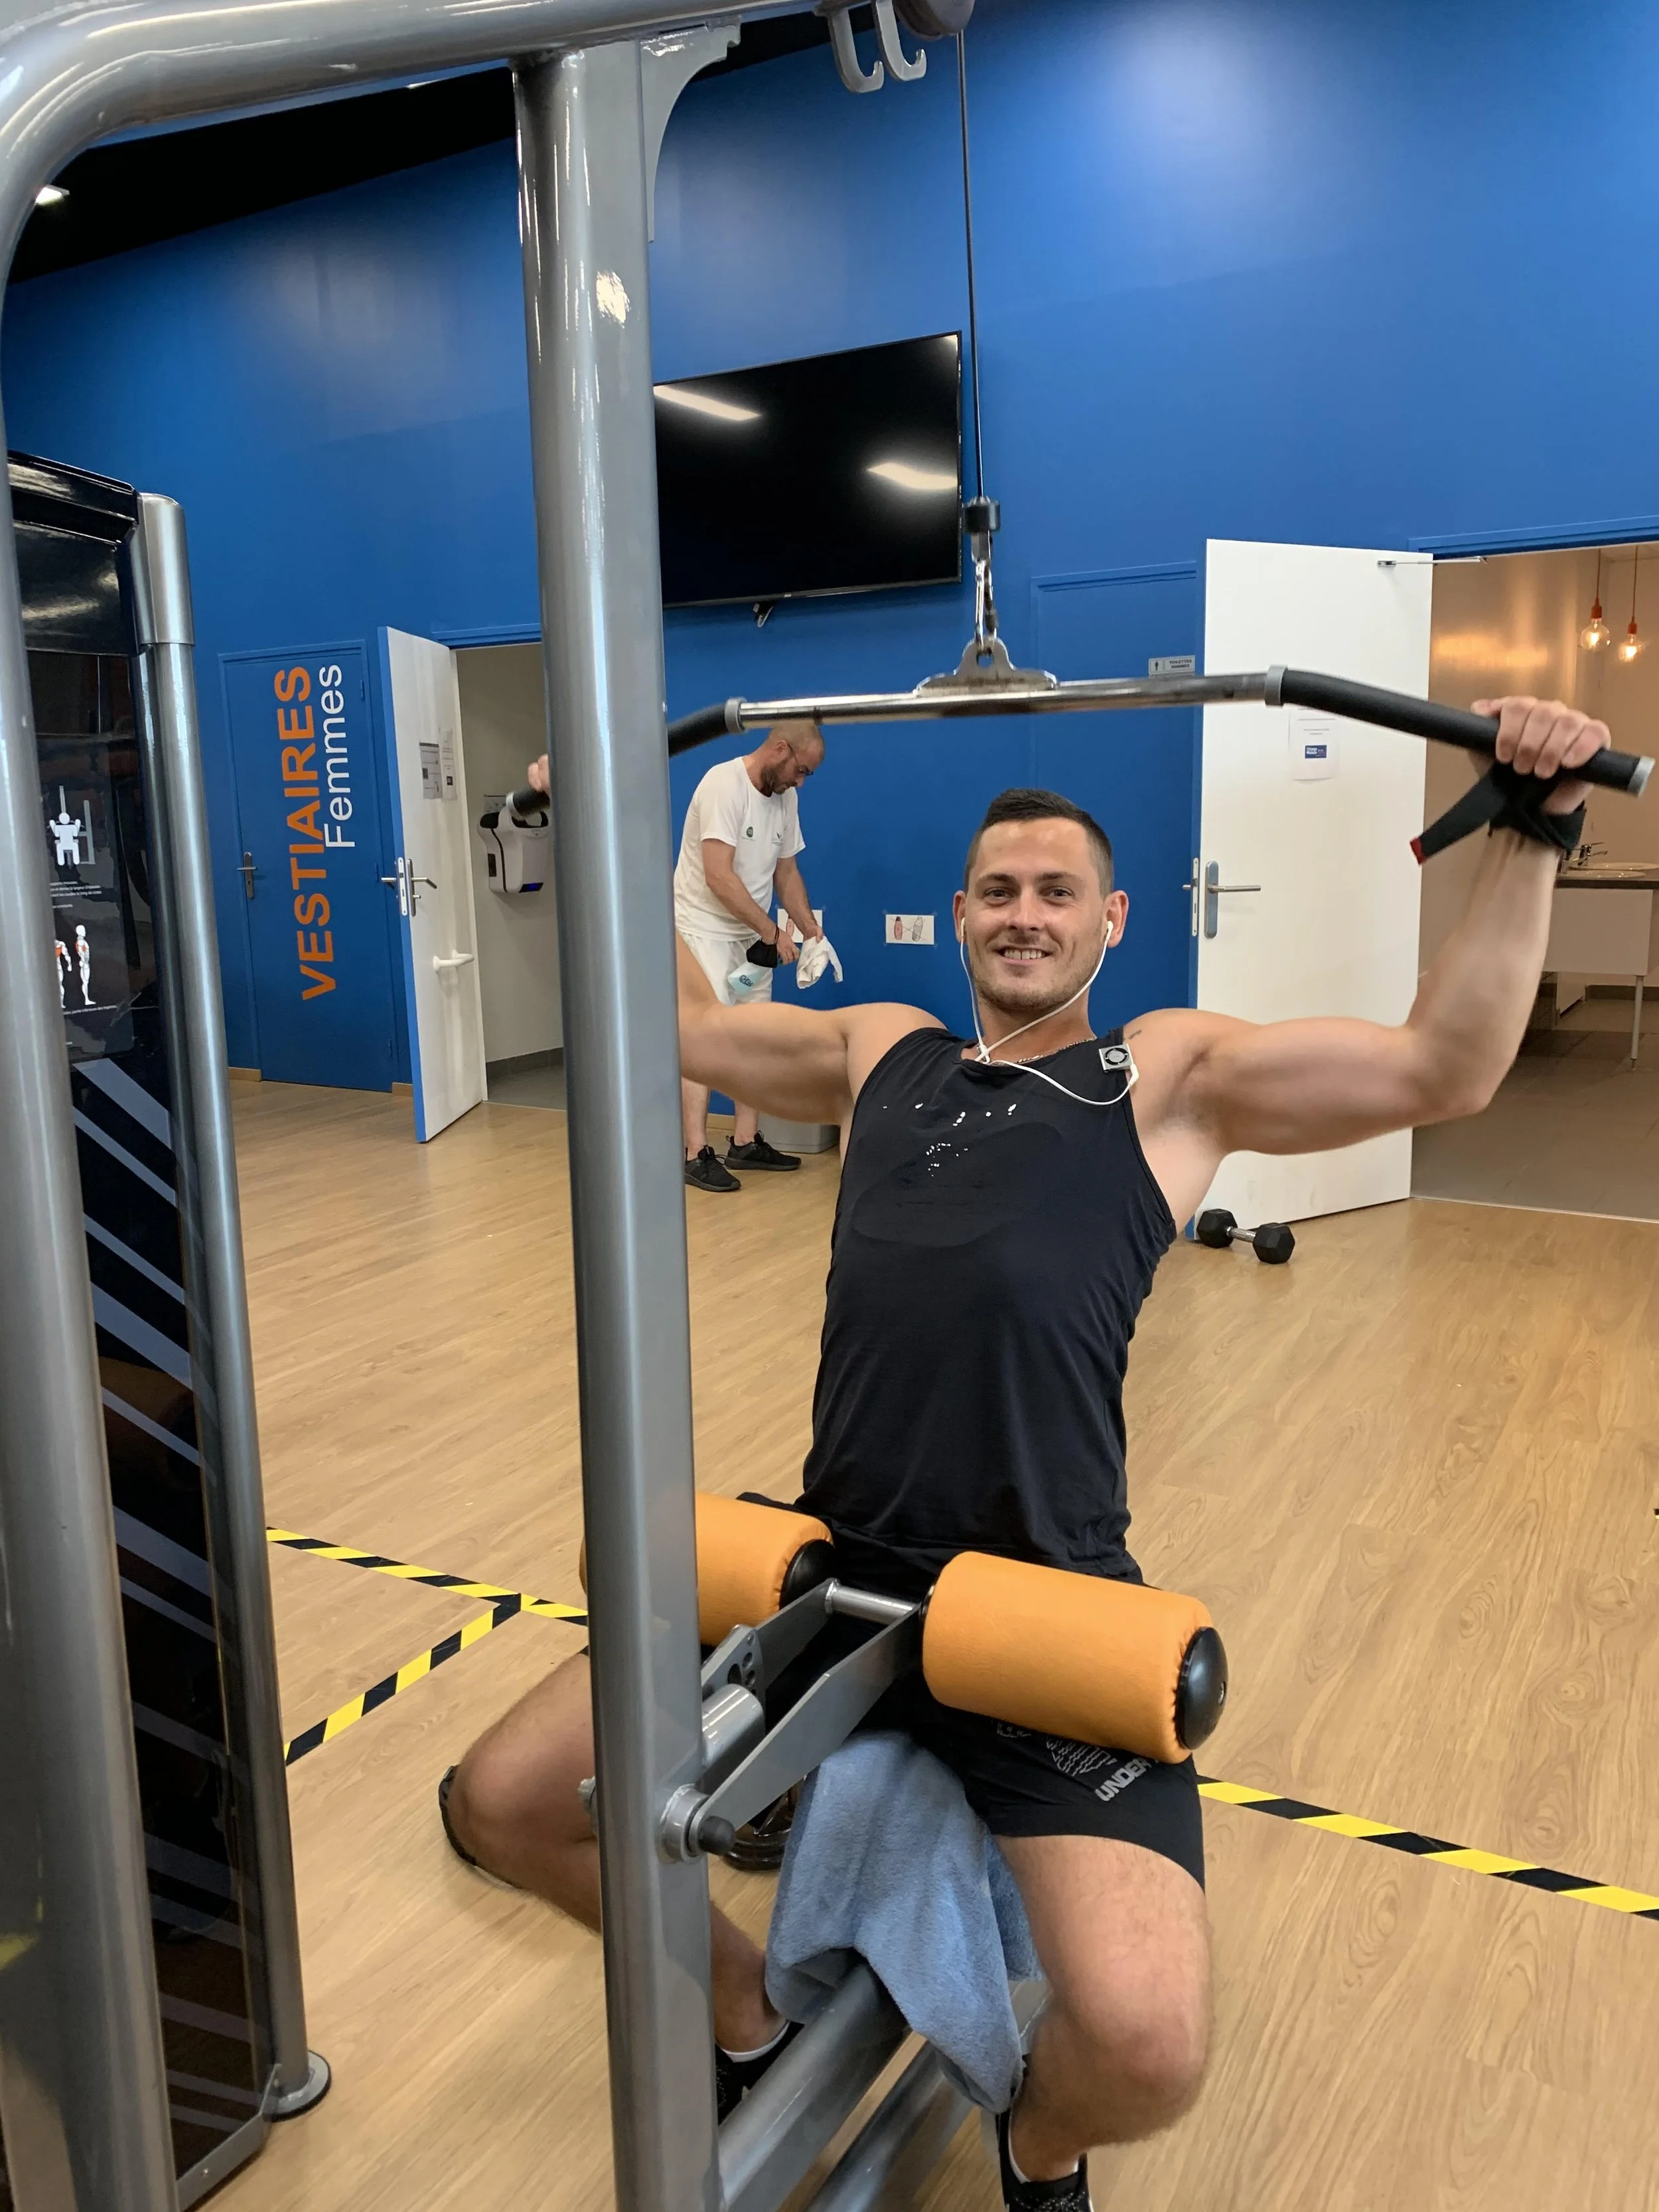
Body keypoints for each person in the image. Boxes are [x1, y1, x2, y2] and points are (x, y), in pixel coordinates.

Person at [448, 697, 1602, 2210]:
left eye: (1058, 891)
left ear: (1112, 920)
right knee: (505, 1800)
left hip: (1038, 1598)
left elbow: (1439, 1067)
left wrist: (1528, 822)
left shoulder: (1166, 1077)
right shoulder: (886, 1053)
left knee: (1146, 2046)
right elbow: (683, 1028)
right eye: (998, 888)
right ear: (963, 911)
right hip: (834, 1566)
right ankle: (746, 2013)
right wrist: (621, 830)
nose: (1023, 913)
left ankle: (1031, 2139)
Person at [671, 719, 827, 1192]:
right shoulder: (724, 785)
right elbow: (718, 876)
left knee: (753, 1037)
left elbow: (787, 873)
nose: (801, 781)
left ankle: (744, 1140)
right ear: (780, 749)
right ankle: (694, 1151)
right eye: (800, 770)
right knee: (702, 1041)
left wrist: (810, 930)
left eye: (807, 775)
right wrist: (769, 929)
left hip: (751, 940)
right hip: (702, 933)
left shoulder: (787, 799)